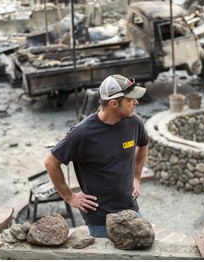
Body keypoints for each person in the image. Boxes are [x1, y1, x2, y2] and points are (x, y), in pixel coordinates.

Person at [44, 74, 149, 238]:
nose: (136, 102)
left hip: (130, 208)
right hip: (100, 219)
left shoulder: (134, 122)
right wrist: (70, 196)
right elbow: (51, 163)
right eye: (130, 100)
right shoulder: (82, 133)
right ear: (114, 103)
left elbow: (143, 145)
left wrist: (136, 177)